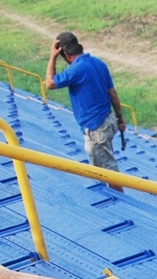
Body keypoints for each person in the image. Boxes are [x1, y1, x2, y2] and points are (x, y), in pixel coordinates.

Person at [45, 31, 125, 192]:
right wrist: (120, 119)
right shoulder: (98, 63)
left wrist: (52, 57)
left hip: (96, 128)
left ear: (65, 54)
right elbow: (113, 94)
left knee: (107, 172)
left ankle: (120, 205)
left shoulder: (76, 69)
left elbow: (50, 83)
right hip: (108, 121)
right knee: (102, 171)